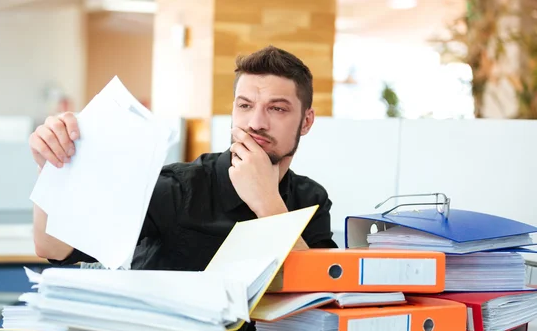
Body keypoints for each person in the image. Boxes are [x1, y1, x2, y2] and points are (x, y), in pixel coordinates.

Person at [29, 45, 338, 273]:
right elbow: (54, 247)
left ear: (307, 121)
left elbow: (324, 291)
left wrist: (268, 204)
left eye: (277, 108)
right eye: (245, 105)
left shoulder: (310, 198)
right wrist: (53, 167)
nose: (256, 122)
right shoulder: (177, 187)